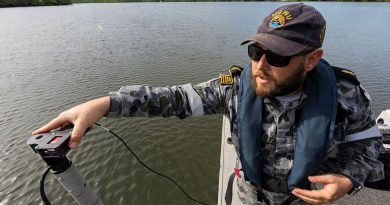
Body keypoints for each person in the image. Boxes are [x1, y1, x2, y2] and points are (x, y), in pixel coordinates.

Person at [32, 3, 384, 205]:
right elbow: (174, 99)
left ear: (311, 60)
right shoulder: (233, 88)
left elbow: (366, 143)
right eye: (256, 51)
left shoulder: (346, 93)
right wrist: (105, 104)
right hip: (249, 198)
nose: (261, 65)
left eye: (277, 57)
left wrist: (346, 179)